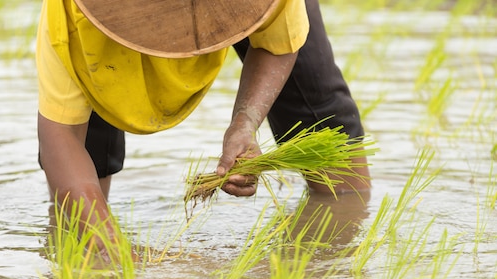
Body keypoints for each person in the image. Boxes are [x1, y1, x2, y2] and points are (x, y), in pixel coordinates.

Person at [36, 0, 371, 252]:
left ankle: (326, 274)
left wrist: (245, 123)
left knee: (324, 127)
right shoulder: (73, 13)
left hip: (250, 8)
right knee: (79, 221)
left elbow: (277, 45)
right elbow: (62, 132)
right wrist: (112, 249)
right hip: (103, 40)